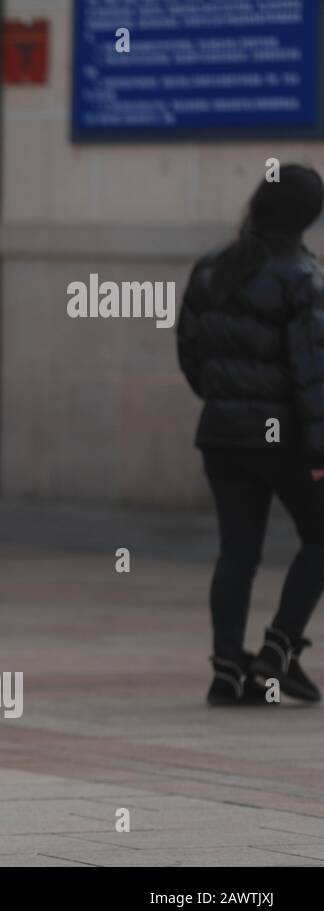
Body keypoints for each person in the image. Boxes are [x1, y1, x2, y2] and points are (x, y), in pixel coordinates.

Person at [177, 163, 324, 706]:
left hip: (221, 433)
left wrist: (224, 401)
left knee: (236, 552)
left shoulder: (212, 267)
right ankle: (277, 654)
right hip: (280, 436)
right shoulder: (303, 278)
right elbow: (313, 374)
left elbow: (190, 353)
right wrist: (318, 449)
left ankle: (226, 671)